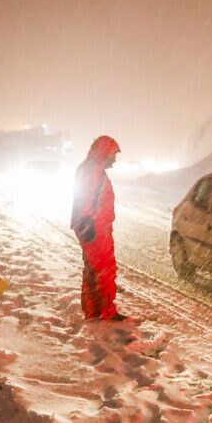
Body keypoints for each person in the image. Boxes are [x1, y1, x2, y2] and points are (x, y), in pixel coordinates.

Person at [70, 135, 126, 321]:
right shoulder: (92, 171)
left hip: (95, 226)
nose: (115, 159)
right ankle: (103, 312)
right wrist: (87, 222)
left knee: (96, 270)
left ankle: (96, 311)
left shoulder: (93, 169)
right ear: (104, 153)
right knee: (103, 270)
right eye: (113, 154)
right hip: (94, 227)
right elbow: (84, 197)